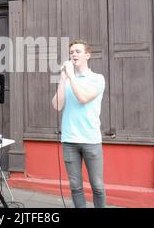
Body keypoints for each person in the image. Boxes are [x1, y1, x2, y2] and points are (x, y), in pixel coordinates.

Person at [52, 39, 106, 208]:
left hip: (91, 140)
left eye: (77, 51)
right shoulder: (67, 80)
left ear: (87, 55)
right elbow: (57, 105)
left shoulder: (97, 79)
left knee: (97, 185)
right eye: (71, 52)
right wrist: (62, 79)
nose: (73, 54)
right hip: (69, 141)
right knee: (75, 187)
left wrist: (72, 77)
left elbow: (83, 98)